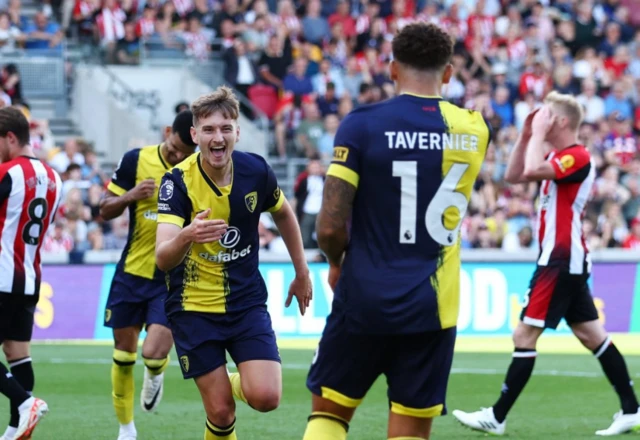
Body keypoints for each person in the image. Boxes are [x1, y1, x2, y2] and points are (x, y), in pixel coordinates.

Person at [303, 23, 492, 440]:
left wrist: (337, 263)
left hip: (365, 293)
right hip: (433, 306)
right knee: (409, 430)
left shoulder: (362, 124)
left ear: (391, 69)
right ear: (448, 72)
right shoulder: (475, 129)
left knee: (329, 415)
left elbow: (330, 223)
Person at [452, 92, 640, 436]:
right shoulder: (559, 154)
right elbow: (514, 175)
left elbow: (533, 169)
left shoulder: (578, 156)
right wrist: (526, 135)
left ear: (562, 122)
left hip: (560, 258)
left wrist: (536, 135)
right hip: (564, 258)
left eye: (547, 114)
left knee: (524, 333)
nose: (540, 116)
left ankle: (497, 416)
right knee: (590, 333)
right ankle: (632, 409)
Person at [155, 86, 312, 440]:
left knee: (266, 397)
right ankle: (222, 392)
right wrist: (187, 235)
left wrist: (301, 272)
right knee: (222, 413)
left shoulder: (256, 170)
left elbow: (284, 213)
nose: (218, 137)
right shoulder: (177, 182)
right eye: (208, 130)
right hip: (193, 308)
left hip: (245, 302)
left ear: (237, 132)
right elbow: (163, 258)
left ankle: (235, 381)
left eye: (225, 128)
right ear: (195, 135)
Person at [99, 110, 198, 440]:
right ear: (167, 132)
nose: (178, 156)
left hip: (170, 279)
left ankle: (155, 374)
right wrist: (130, 195)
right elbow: (103, 208)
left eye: (186, 154)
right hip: (131, 274)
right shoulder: (135, 160)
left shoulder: (197, 173)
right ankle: (126, 429)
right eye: (174, 150)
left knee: (154, 353)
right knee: (123, 356)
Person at [0, 107, 62, 440]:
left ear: (10, 137)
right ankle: (13, 432)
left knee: (16, 357)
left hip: (1, 276)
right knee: (17, 355)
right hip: (30, 277)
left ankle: (25, 403)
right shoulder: (56, 179)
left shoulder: (7, 173)